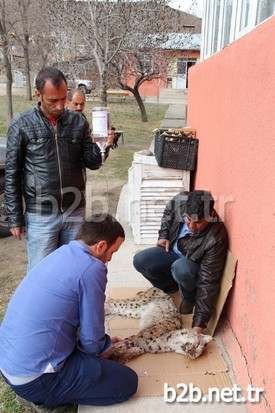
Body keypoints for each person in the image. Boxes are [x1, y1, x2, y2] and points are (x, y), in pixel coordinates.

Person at [0, 214, 138, 412]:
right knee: (126, 382)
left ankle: (44, 389)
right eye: (112, 252)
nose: (110, 258)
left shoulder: (62, 253)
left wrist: (103, 342)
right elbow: (91, 340)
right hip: (35, 379)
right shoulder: (92, 268)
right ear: (100, 246)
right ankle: (49, 399)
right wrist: (103, 348)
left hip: (9, 364)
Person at [5, 67, 114, 269]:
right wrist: (15, 217)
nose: (60, 106)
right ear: (38, 95)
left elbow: (92, 162)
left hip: (74, 210)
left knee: (73, 269)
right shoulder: (21, 125)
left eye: (64, 99)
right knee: (41, 273)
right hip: (41, 213)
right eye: (53, 101)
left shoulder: (78, 123)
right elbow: (12, 173)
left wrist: (104, 146)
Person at [133, 190, 228, 334]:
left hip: (190, 265)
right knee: (141, 260)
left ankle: (189, 297)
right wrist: (163, 235)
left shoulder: (216, 237)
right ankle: (171, 288)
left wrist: (198, 326)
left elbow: (209, 280)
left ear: (211, 215)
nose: (191, 226)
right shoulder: (181, 200)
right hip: (171, 251)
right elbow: (168, 210)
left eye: (198, 222)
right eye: (188, 219)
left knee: (181, 268)